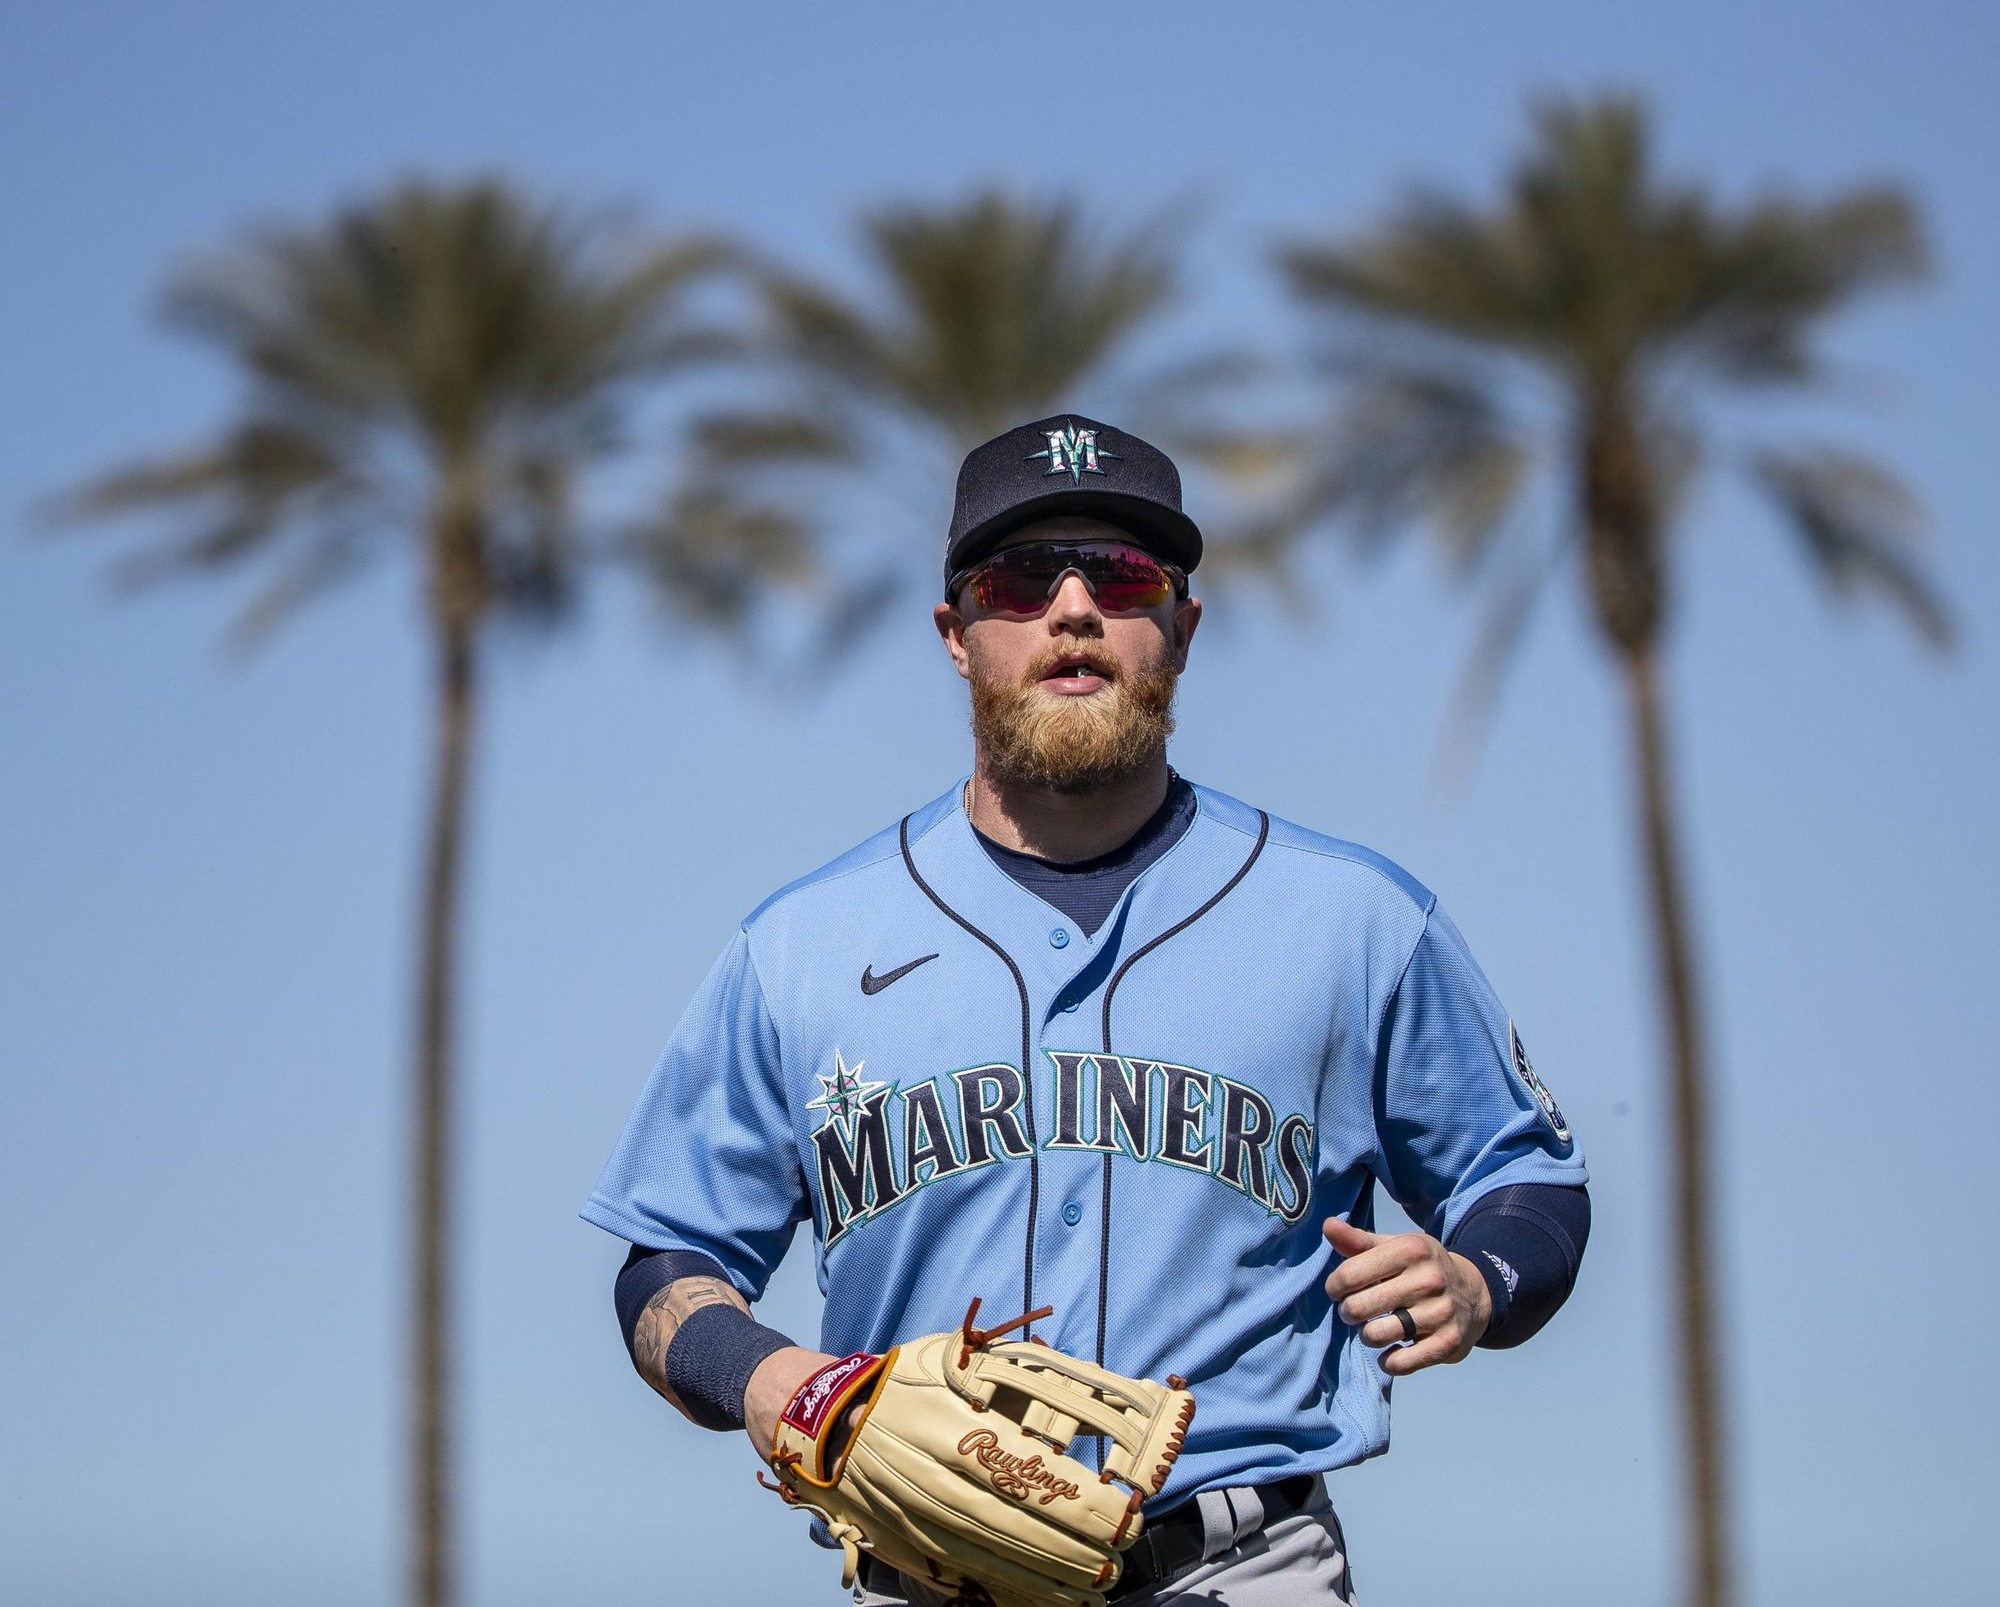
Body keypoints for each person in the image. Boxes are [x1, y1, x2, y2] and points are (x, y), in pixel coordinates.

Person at [584, 414, 1590, 1605]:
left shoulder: (1355, 922)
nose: (1071, 608)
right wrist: (789, 1390)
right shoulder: (798, 950)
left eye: (1121, 575)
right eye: (1020, 578)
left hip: (1241, 1564)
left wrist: (1480, 1278)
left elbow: (1527, 1182)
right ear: (956, 634)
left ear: (1182, 627)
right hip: (920, 1572)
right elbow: (670, 1263)